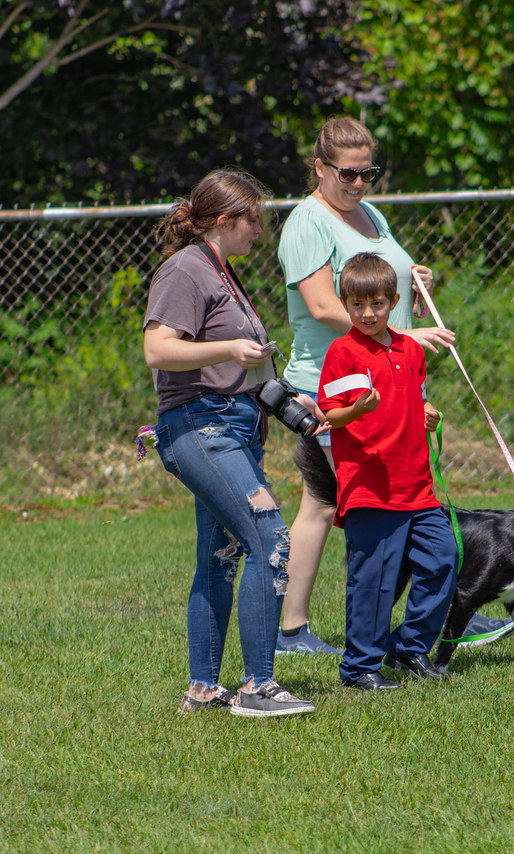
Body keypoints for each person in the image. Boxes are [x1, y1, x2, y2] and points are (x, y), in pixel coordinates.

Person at [277, 116, 512, 655]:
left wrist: (412, 278)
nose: (359, 184)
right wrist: (404, 332)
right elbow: (321, 306)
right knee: (344, 507)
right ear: (320, 168)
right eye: (348, 174)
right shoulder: (308, 222)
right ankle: (298, 631)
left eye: (369, 173)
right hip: (335, 389)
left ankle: (427, 616)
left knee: (380, 502)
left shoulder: (368, 214)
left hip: (393, 385)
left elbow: (374, 279)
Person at [142, 168, 320, 718]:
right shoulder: (185, 270)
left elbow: (241, 364)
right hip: (201, 429)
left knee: (220, 559)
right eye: (253, 221)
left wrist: (286, 399)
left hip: (233, 426)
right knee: (270, 538)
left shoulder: (221, 272)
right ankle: (258, 687)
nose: (259, 232)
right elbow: (157, 349)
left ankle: (203, 689)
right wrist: (228, 350)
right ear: (225, 220)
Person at [318, 253, 458, 689]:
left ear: (395, 301)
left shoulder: (411, 349)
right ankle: (360, 666)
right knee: (374, 582)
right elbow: (329, 415)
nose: (367, 314)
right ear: (345, 305)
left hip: (417, 485)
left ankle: (408, 647)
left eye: (377, 304)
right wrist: (355, 410)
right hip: (370, 487)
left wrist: (427, 410)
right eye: (357, 305)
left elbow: (414, 395)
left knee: (444, 559)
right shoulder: (342, 353)